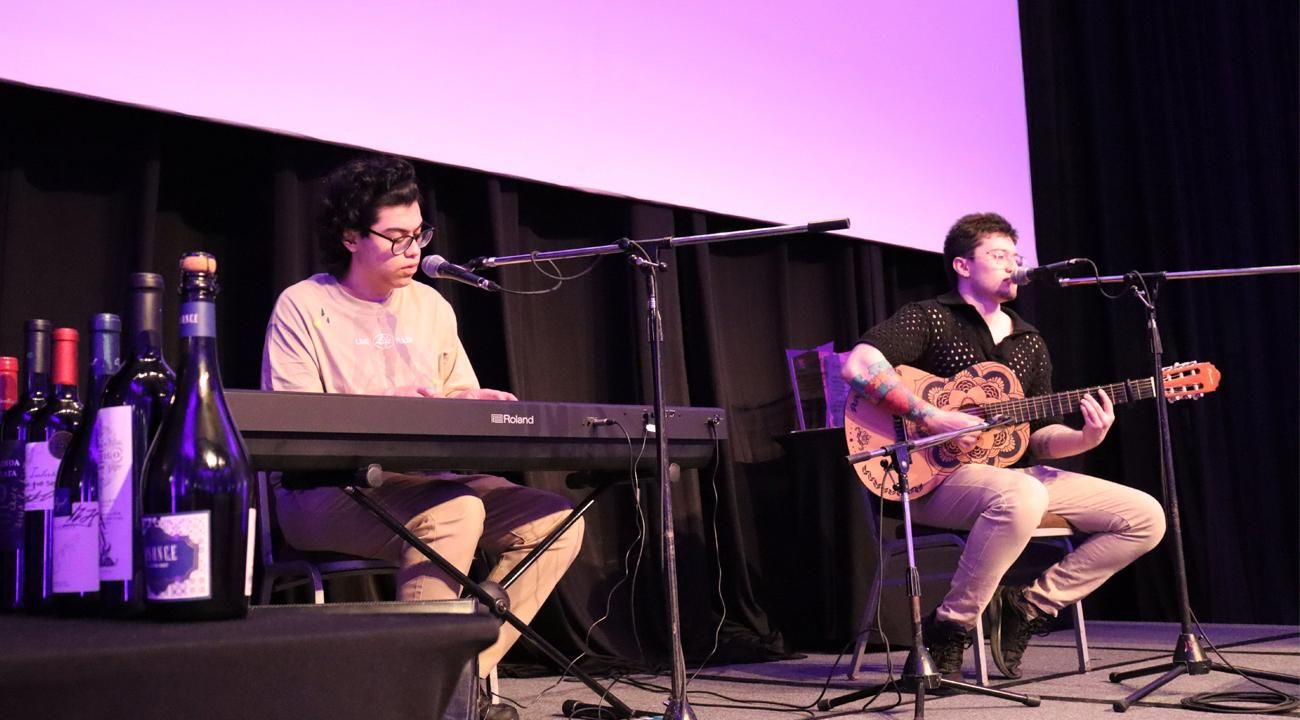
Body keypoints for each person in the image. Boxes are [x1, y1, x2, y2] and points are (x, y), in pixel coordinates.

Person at [262, 154, 583, 719]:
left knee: (553, 521)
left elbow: (455, 400)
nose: (414, 250)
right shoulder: (304, 306)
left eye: (419, 234)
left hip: (431, 480)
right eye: (397, 237)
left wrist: (471, 405)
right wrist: (385, 413)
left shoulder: (430, 305)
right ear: (350, 236)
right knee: (455, 512)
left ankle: (449, 681)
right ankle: (424, 698)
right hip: (326, 491)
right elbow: (294, 425)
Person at [841, 212, 1166, 680]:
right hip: (931, 477)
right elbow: (859, 366)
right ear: (962, 265)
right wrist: (929, 415)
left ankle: (1029, 607)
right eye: (998, 256)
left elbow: (1037, 438)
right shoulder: (931, 317)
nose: (1013, 266)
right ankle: (951, 626)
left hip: (1008, 478)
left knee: (1145, 517)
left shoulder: (1029, 341)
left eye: (1017, 257)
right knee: (1022, 495)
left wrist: (1086, 437)